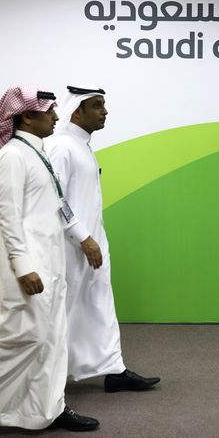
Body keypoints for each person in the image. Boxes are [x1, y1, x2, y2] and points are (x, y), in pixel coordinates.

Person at [0, 86, 98, 432]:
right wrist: (24, 266)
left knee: (53, 339)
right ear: (27, 116)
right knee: (25, 336)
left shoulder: (39, 153)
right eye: (50, 112)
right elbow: (8, 217)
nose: (57, 117)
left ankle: (50, 409)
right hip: (28, 267)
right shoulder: (13, 156)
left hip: (52, 262)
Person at [45, 85, 160, 392]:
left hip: (92, 246)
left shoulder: (82, 145)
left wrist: (95, 240)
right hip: (71, 249)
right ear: (77, 111)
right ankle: (40, 376)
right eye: (97, 106)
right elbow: (54, 200)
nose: (104, 111)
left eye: (103, 105)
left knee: (99, 306)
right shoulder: (61, 147)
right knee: (63, 315)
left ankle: (113, 369)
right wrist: (83, 238)